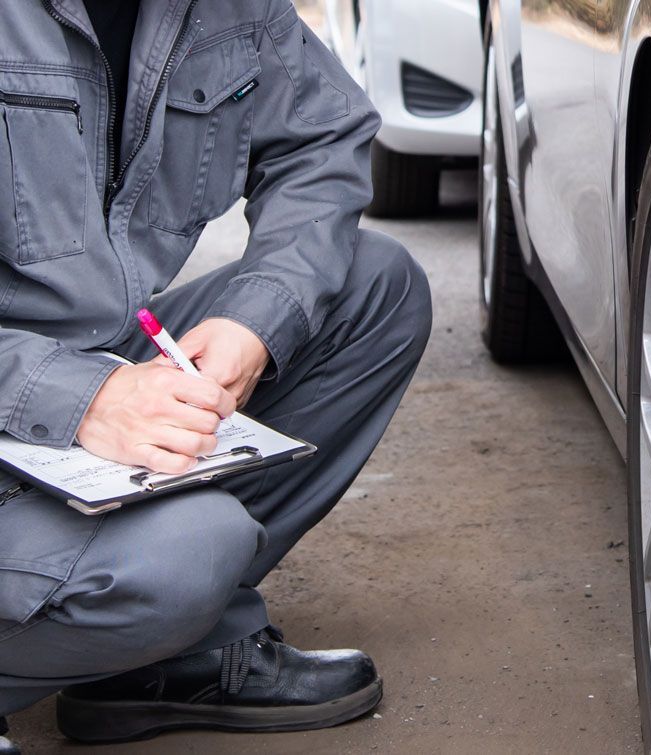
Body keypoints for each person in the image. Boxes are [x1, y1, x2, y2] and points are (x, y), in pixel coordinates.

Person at [0, 0, 432, 750]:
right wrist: (78, 398)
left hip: (97, 370)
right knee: (191, 552)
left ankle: (150, 661)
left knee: (375, 288)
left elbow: (323, 140)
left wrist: (258, 320)